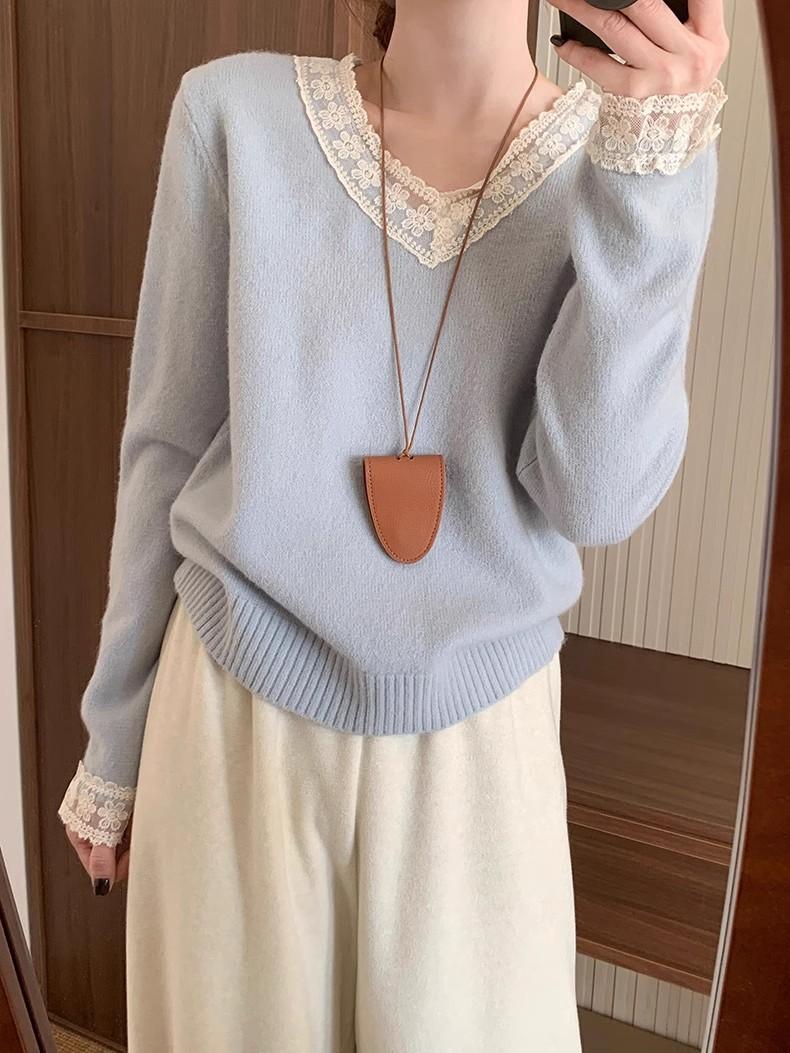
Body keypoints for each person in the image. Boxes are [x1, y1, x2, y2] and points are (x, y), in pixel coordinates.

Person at [56, 0, 729, 1049]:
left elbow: (594, 498)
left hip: (480, 752)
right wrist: (115, 740)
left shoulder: (616, 164)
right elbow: (165, 447)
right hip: (232, 722)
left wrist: (652, 170)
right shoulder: (230, 114)